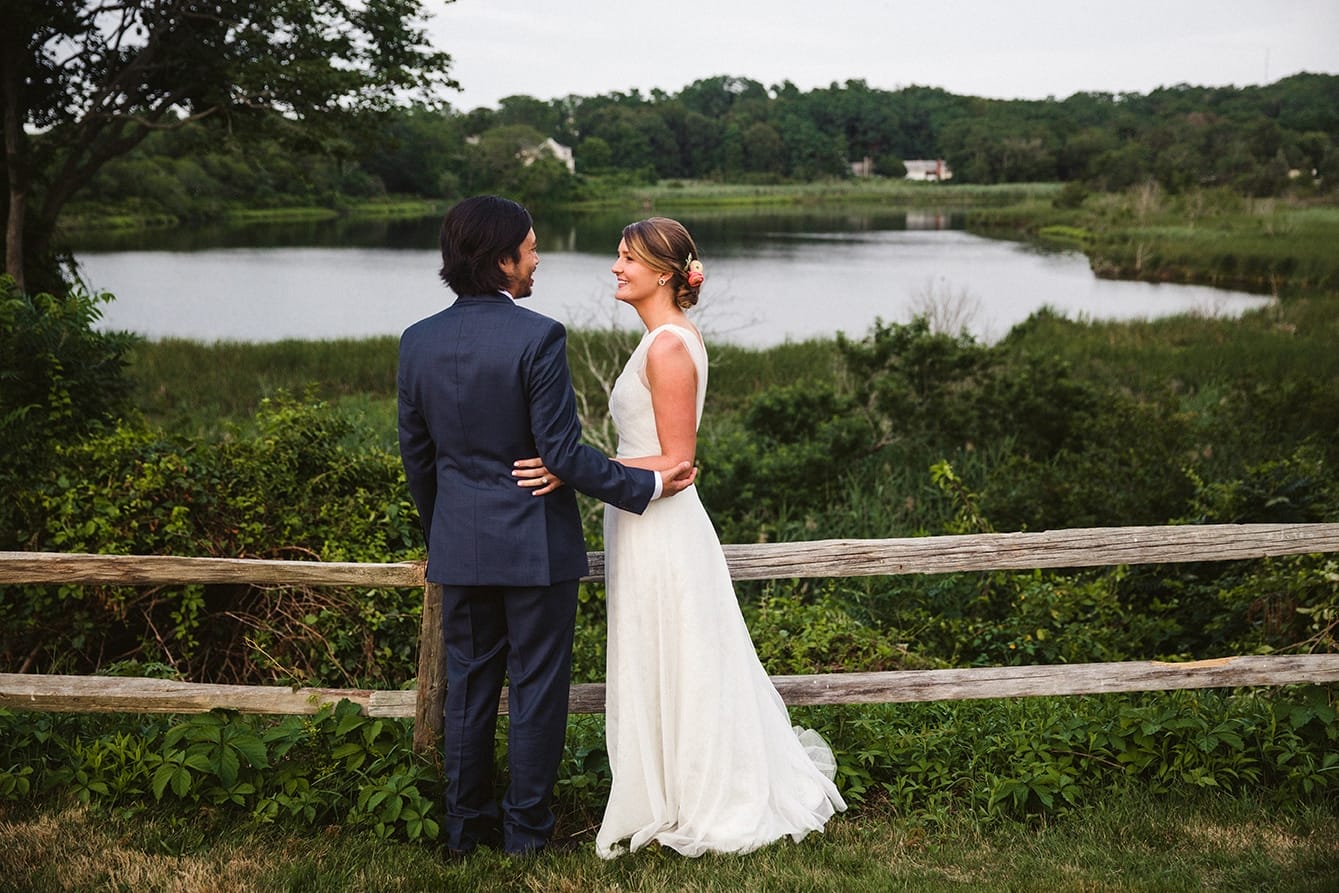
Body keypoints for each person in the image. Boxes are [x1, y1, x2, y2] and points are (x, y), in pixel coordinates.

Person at [522, 217, 845, 858]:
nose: (616, 268)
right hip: (639, 521)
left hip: (663, 527)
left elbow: (676, 460)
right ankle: (664, 787)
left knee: (679, 652)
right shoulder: (663, 340)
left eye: (627, 258)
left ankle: (698, 796)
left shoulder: (669, 346)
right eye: (617, 256)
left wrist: (571, 465)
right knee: (658, 651)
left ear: (665, 274)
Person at [397, 196, 696, 857]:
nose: (537, 258)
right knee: (535, 692)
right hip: (535, 549)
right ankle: (526, 834)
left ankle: (461, 830)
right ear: (502, 259)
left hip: (461, 547)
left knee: (468, 689)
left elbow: (418, 460)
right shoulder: (537, 336)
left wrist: (440, 531)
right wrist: (649, 482)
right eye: (530, 248)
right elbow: (558, 456)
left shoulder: (416, 340)